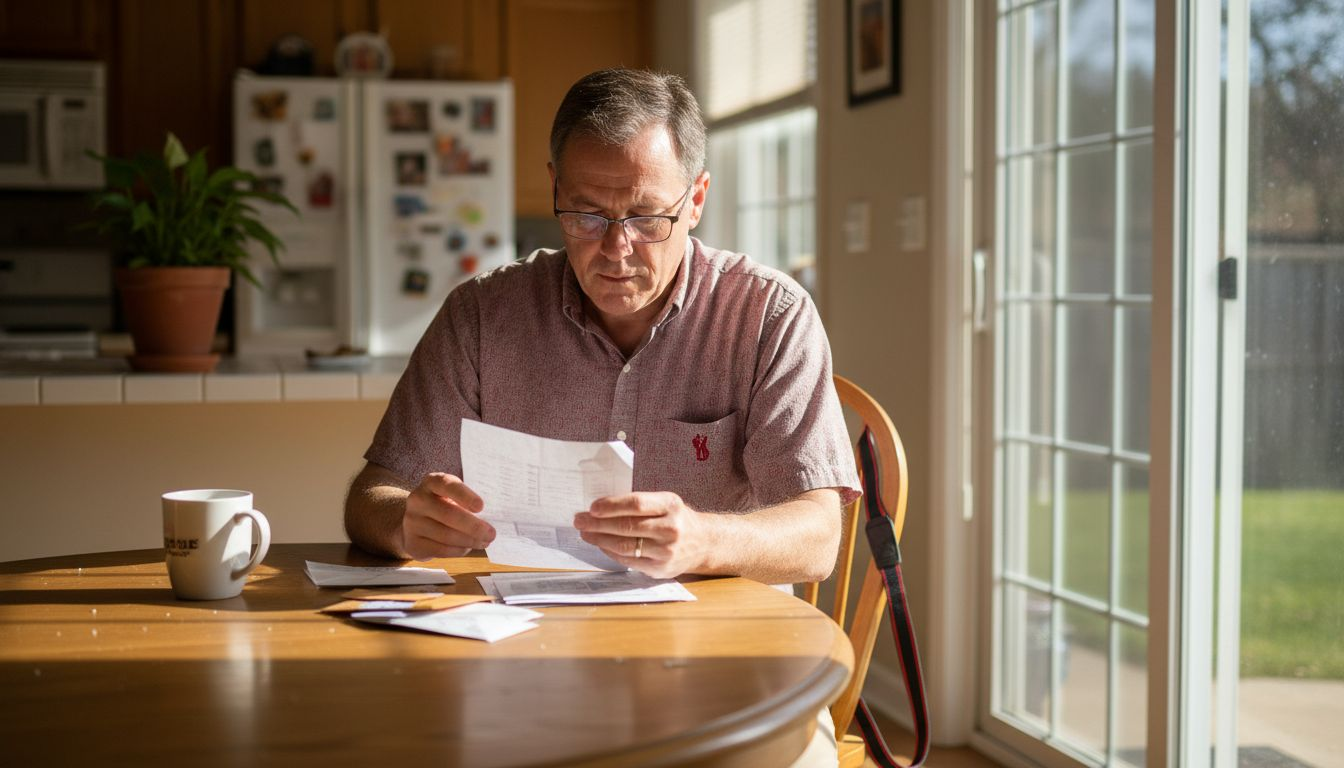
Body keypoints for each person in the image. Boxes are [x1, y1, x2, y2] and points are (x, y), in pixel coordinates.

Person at [345, 65, 859, 768]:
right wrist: (405, 522)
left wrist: (701, 539)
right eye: (587, 215)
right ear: (554, 188)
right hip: (525, 660)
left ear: (698, 198)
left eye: (648, 217)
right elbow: (371, 496)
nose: (616, 250)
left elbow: (818, 537)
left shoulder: (769, 316)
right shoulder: (481, 318)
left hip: (723, 664)